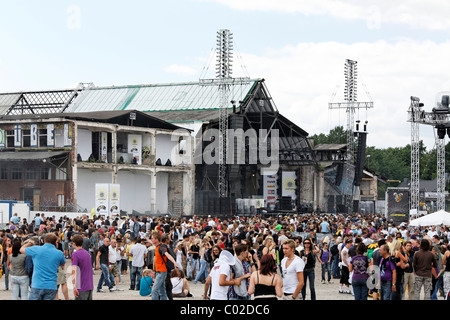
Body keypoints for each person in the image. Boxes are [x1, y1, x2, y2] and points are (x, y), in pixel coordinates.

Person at [20, 233, 65, 300]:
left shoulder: (36, 249)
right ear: (55, 242)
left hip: (37, 284)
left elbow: (21, 249)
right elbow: (62, 264)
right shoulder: (59, 253)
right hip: (51, 285)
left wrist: (30, 243)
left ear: (43, 241)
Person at [150, 231, 181, 300]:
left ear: (157, 239)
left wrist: (174, 262)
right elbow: (155, 259)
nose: (151, 240)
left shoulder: (161, 247)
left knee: (154, 290)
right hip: (159, 271)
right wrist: (154, 270)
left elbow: (167, 254)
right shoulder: (157, 247)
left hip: (162, 271)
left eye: (152, 238)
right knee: (162, 290)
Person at [71, 234, 94, 300]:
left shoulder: (75, 254)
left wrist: (74, 286)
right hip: (89, 285)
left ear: (74, 243)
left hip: (81, 286)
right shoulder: (87, 253)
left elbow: (74, 270)